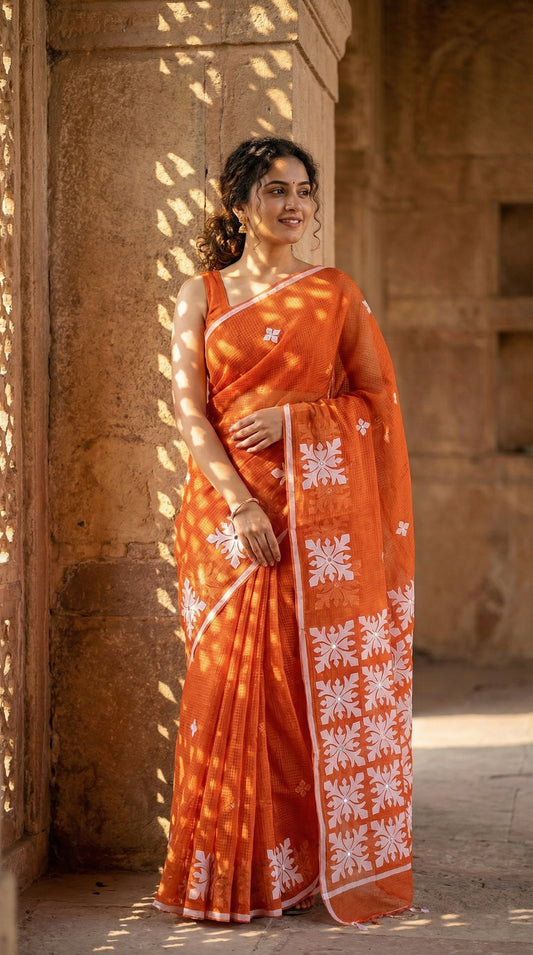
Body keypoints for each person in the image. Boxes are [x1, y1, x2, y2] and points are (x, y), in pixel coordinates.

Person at [153, 137, 415, 926]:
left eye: (303, 189)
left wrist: (298, 421)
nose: (293, 203)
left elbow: (376, 404)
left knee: (294, 693)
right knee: (227, 684)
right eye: (274, 190)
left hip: (312, 515)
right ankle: (227, 870)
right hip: (225, 516)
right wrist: (237, 501)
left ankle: (298, 867)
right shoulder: (200, 293)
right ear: (238, 204)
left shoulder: (334, 293)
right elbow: (187, 409)